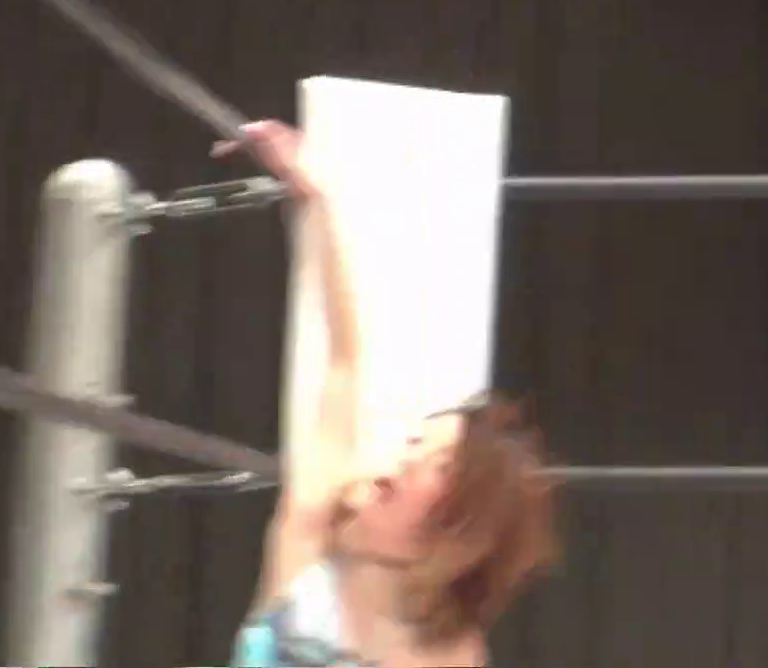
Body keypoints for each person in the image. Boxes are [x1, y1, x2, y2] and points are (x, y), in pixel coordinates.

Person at [218, 121, 556, 668]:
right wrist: (318, 197)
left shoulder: (452, 655)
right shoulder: (312, 540)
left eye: (437, 463)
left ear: (457, 522)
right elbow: (345, 363)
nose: (403, 459)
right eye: (417, 442)